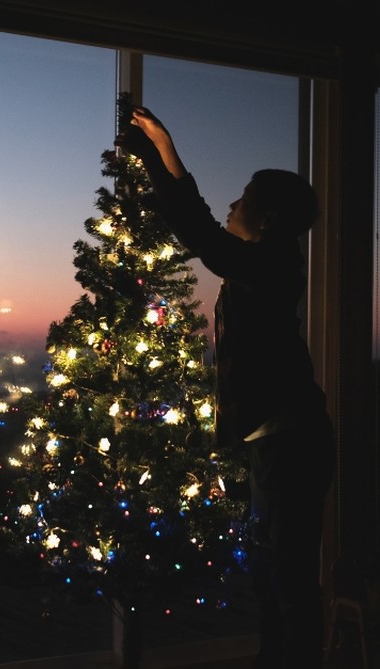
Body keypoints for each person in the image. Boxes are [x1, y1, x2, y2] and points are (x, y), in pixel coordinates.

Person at [119, 105, 335, 668]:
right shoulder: (265, 260)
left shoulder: (270, 264)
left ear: (265, 218)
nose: (233, 205)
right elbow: (206, 231)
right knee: (273, 571)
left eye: (242, 198)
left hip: (291, 442)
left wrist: (163, 151)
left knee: (288, 576)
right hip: (278, 440)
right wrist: (159, 157)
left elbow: (200, 232)